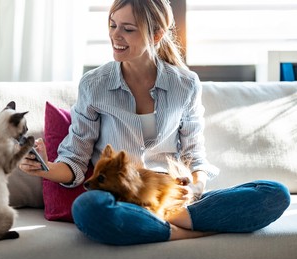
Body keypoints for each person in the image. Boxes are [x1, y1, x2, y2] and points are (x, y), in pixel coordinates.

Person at [19, 0, 290, 245]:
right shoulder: (94, 85)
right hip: (122, 200)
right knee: (87, 208)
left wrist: (194, 188)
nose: (115, 35)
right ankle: (179, 230)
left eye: (128, 29)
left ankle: (169, 221)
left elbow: (195, 156)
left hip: (170, 197)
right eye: (113, 25)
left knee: (274, 193)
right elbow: (75, 161)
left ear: (157, 35)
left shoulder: (185, 84)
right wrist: (45, 168)